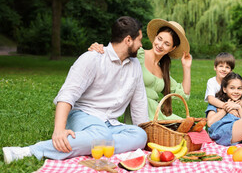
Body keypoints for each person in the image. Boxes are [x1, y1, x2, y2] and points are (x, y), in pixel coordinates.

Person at [3, 16, 149, 164]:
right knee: (102, 136)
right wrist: (59, 130)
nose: (141, 45)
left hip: (110, 124)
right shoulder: (93, 58)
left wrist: (146, 134)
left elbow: (139, 103)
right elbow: (67, 94)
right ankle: (29, 151)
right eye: (139, 40)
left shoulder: (135, 65)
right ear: (128, 40)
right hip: (83, 115)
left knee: (140, 136)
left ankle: (89, 143)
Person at [89, 19, 192, 122]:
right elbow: (116, 53)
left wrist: (186, 67)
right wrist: (101, 48)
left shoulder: (163, 70)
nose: (160, 45)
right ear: (155, 37)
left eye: (167, 44)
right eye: (159, 39)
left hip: (157, 116)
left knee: (190, 127)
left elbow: (183, 94)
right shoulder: (138, 54)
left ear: (172, 48)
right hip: (139, 115)